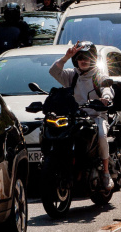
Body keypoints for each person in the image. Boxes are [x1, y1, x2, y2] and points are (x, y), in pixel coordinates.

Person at [49, 41, 116, 191]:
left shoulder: (98, 75)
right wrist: (66, 56)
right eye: (80, 58)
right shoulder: (72, 75)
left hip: (96, 116)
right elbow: (53, 71)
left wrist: (105, 98)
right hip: (75, 118)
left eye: (87, 58)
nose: (83, 61)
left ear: (93, 59)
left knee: (101, 135)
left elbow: (107, 88)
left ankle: (105, 173)